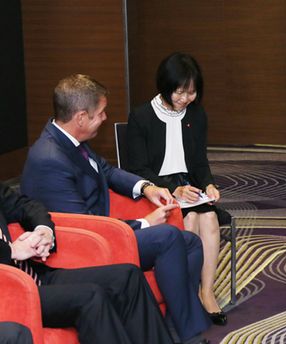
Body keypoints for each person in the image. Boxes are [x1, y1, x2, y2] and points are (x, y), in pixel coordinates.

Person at [20, 74, 211, 344]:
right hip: (84, 247)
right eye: (101, 113)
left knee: (191, 243)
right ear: (81, 117)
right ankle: (189, 335)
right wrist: (144, 223)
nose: (106, 117)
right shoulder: (50, 160)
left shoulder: (69, 141)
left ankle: (173, 325)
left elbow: (106, 171)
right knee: (167, 237)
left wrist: (147, 187)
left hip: (104, 231)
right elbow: (81, 225)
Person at [0, 182, 173, 344]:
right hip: (8, 291)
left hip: (35, 276)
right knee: (90, 297)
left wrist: (43, 231)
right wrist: (12, 251)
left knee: (127, 276)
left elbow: (27, 206)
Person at [126, 52, 226, 325]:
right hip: (154, 188)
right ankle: (186, 294)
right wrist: (173, 189)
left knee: (210, 217)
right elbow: (137, 169)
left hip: (188, 186)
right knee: (190, 217)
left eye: (191, 93)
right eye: (180, 92)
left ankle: (206, 292)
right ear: (165, 86)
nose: (185, 99)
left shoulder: (196, 114)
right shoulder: (141, 116)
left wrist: (208, 183)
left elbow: (199, 161)